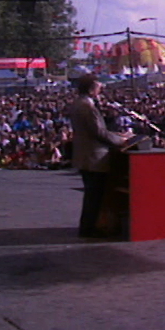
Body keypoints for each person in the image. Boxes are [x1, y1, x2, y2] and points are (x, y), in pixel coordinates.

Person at [68, 75, 127, 238]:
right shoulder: (87, 107)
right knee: (94, 196)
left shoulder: (78, 103)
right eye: (99, 87)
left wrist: (117, 135)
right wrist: (121, 140)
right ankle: (90, 228)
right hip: (93, 156)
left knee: (91, 195)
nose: (101, 90)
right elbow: (98, 132)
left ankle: (88, 227)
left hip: (85, 154)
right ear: (91, 89)